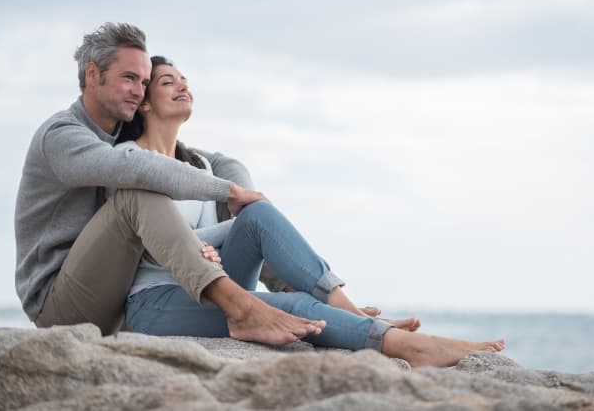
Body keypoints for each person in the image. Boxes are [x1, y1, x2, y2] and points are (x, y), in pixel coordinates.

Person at [116, 55, 506, 368]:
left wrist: (210, 246)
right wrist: (205, 245)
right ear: (145, 103)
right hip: (157, 303)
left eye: (184, 79)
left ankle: (352, 312)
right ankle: (409, 346)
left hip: (210, 287)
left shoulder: (199, 166)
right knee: (295, 306)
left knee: (258, 215)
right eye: (168, 82)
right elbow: (156, 246)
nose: (183, 85)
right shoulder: (131, 161)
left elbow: (202, 247)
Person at [14, 22, 325, 344]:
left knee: (251, 215)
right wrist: (228, 192)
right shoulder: (63, 136)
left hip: (118, 292)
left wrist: (240, 189)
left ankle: (295, 288)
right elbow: (141, 168)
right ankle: (240, 307)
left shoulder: (120, 132)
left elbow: (208, 160)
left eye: (144, 81)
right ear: (93, 75)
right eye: (129, 78)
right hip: (60, 303)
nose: (138, 90)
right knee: (137, 197)